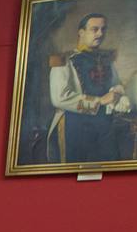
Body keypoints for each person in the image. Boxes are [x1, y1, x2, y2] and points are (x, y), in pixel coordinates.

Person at [48, 13, 131, 164]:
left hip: (104, 124)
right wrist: (99, 101)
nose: (100, 34)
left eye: (103, 29)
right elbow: (59, 98)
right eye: (95, 29)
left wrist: (119, 94)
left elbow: (116, 84)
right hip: (73, 125)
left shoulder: (106, 59)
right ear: (81, 32)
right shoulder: (60, 59)